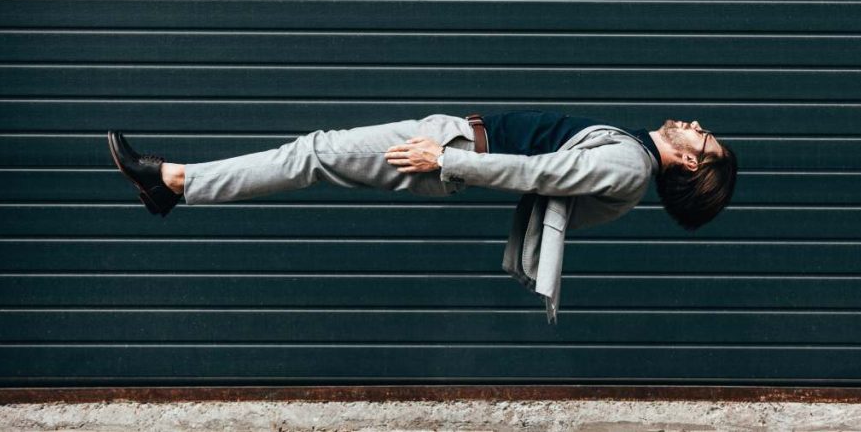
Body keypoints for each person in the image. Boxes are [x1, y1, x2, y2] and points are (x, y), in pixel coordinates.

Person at [108, 110, 738, 322]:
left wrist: (447, 159)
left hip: (451, 153)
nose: (696, 127)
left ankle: (174, 182)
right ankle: (177, 184)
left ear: (688, 166)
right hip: (455, 143)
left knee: (314, 154)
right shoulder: (630, 158)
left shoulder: (629, 169)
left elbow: (540, 174)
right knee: (316, 154)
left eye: (704, 140)